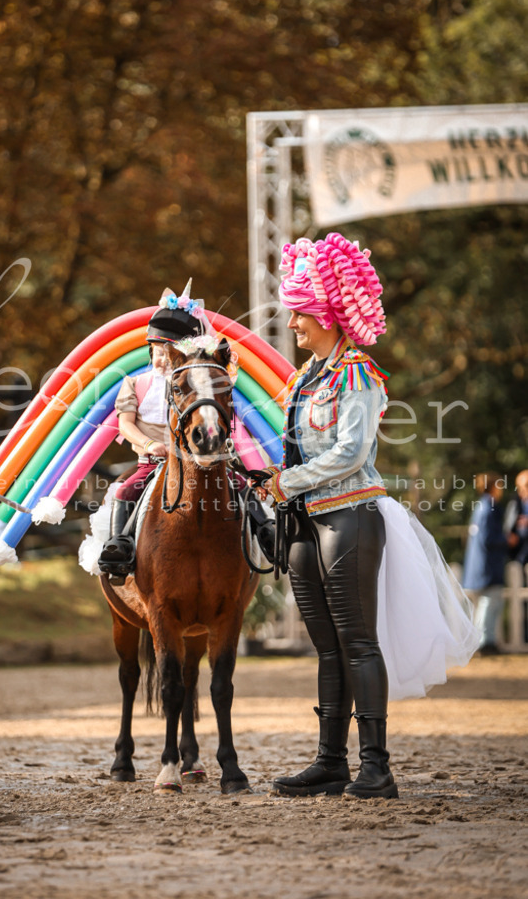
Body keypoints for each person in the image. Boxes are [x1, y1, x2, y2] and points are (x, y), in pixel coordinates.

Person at [255, 232, 479, 801]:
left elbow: (352, 453)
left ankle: (376, 767)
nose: (293, 323)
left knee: (357, 642)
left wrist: (287, 482)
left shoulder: (356, 373)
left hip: (349, 516)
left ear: (328, 315)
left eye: (301, 313)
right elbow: (298, 450)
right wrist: (273, 478)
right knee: (327, 646)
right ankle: (330, 762)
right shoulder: (305, 376)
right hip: (306, 523)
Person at [97, 285, 208, 584]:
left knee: (235, 486)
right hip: (151, 463)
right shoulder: (135, 384)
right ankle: (119, 548)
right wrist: (149, 444)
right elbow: (125, 425)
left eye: (172, 354)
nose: (164, 360)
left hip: (190, 463)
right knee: (124, 492)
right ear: (151, 352)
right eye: (159, 353)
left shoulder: (195, 386)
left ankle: (262, 532)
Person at [462, 473, 508, 656]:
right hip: (488, 566)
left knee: (488, 603)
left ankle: (486, 640)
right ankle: (485, 642)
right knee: (489, 603)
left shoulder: (481, 506)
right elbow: (488, 538)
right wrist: (507, 539)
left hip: (481, 566)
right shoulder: (489, 508)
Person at [505, 469, 528, 567]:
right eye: (519, 487)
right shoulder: (515, 502)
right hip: (518, 552)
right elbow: (508, 525)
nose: (522, 491)